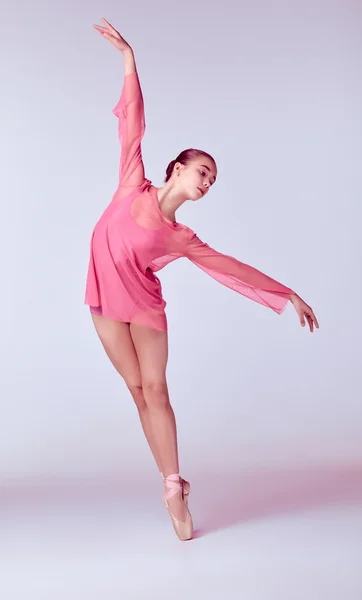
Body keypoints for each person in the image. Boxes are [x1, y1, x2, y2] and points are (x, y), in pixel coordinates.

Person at [85, 18, 319, 541]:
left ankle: (173, 486)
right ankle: (170, 480)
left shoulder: (181, 237)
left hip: (144, 306)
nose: (207, 182)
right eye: (202, 172)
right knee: (135, 391)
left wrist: (288, 294)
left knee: (156, 389)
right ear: (177, 168)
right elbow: (133, 122)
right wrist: (129, 60)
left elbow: (231, 268)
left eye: (212, 179)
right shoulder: (132, 183)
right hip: (103, 299)